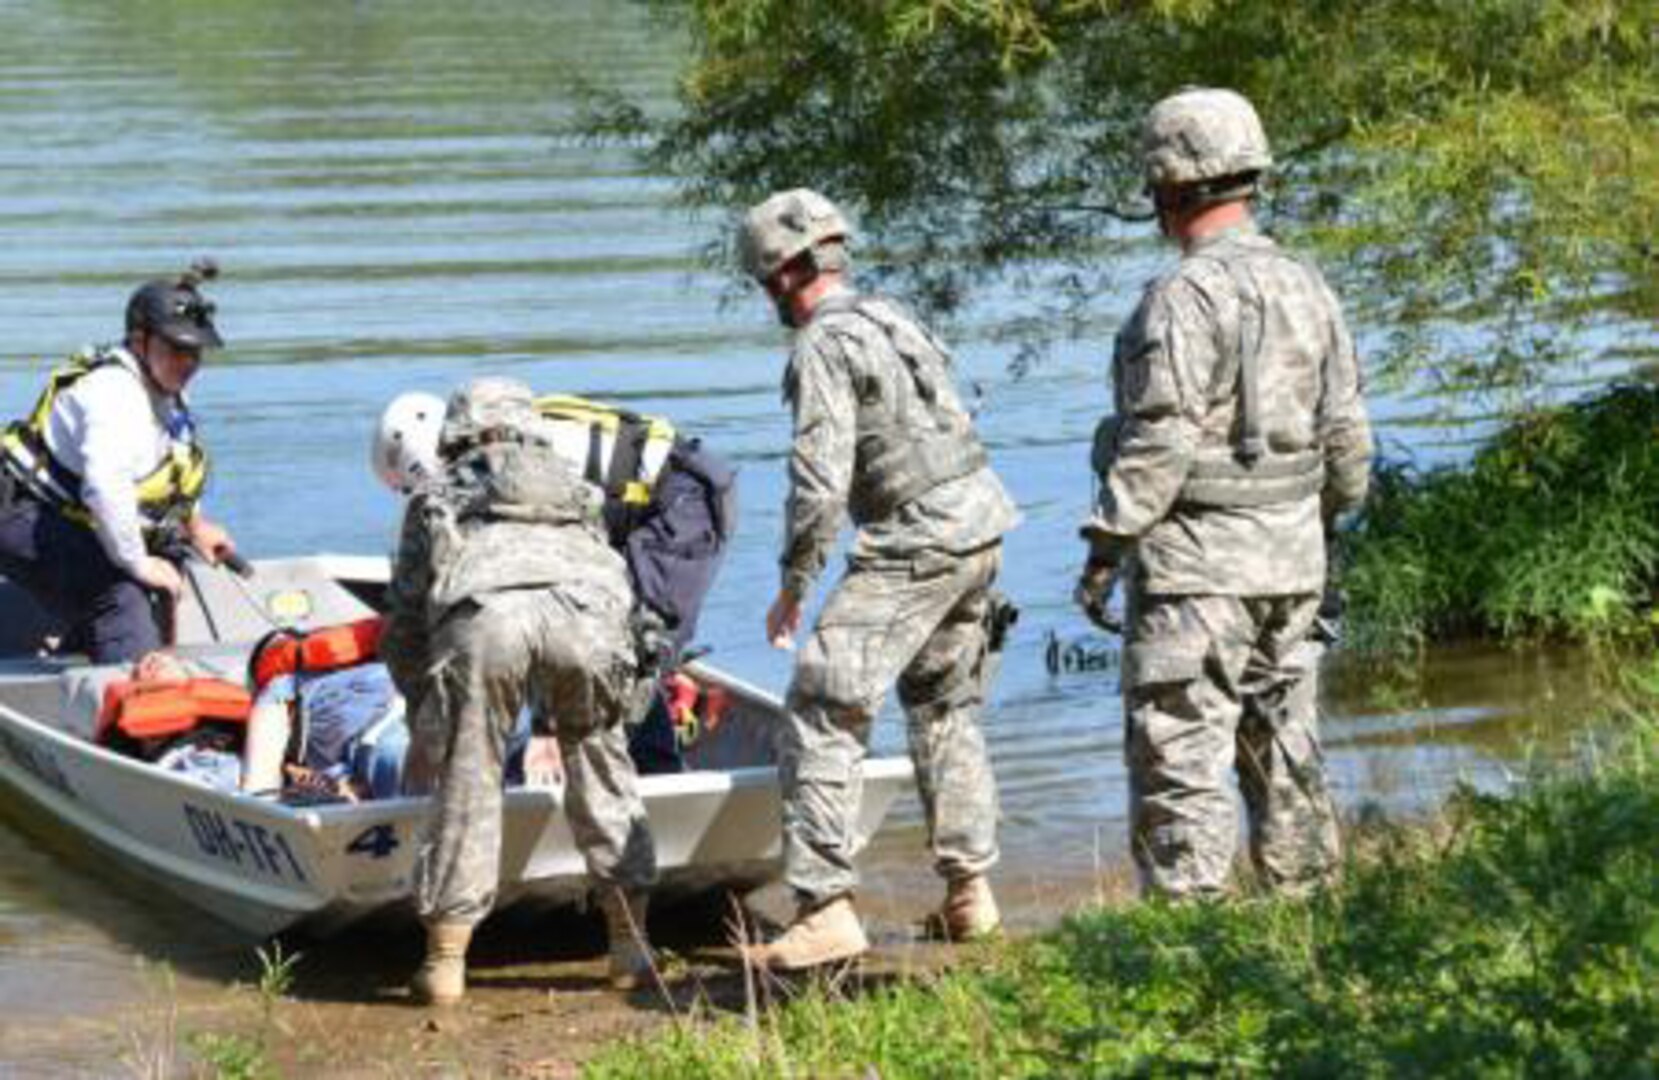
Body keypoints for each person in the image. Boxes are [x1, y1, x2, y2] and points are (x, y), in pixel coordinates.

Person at [1074, 88, 1374, 899]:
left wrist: (1105, 546)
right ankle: (1309, 926)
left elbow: (1157, 442)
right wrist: (1315, 528)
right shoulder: (1308, 286)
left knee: (1181, 764)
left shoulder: (1178, 299)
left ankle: (1187, 953)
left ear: (1167, 191)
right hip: (1293, 566)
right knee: (1287, 754)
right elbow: (1348, 443)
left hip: (1197, 575)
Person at [737, 189, 1021, 970]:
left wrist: (795, 580)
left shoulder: (822, 345)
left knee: (822, 706)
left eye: (766, 285)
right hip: (980, 524)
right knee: (943, 706)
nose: (770, 301)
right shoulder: (895, 318)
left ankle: (822, 906)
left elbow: (819, 477)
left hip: (916, 539)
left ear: (787, 274)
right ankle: (970, 894)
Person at [380, 377, 657, 1006]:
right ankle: (630, 946)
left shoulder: (438, 492)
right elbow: (617, 587)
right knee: (603, 765)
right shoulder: (579, 491)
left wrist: (426, 711)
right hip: (586, 620)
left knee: (470, 779)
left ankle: (445, 962)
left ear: (458, 433)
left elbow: (402, 623)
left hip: (486, 621)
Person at [373, 386, 737, 772]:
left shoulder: (510, 469)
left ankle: (652, 777)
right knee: (616, 648)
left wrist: (546, 729)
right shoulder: (497, 448)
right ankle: (637, 766)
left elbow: (545, 591)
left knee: (632, 649)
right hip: (630, 513)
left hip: (680, 502)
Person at [0, 261, 238, 663]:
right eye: (176, 348)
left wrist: (195, 525)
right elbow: (105, 488)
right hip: (22, 513)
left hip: (72, 513)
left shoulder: (165, 388)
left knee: (166, 561)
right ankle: (143, 707)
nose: (189, 362)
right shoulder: (114, 395)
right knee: (119, 594)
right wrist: (136, 562)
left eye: (195, 350)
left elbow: (173, 465)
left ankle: (100, 658)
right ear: (139, 340)